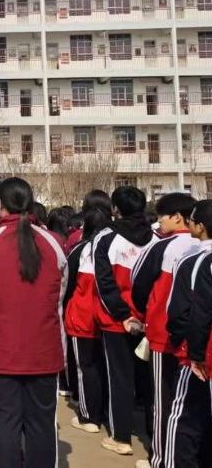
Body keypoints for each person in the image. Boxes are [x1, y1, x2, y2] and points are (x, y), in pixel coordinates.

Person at [0, 177, 67, 468]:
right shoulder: (53, 242)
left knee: (4, 421)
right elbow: (60, 290)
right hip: (45, 349)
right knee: (42, 422)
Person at [130, 191, 200, 468]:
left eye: (162, 217)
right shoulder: (201, 247)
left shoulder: (163, 247)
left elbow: (138, 282)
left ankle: (160, 457)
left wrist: (146, 314)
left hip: (164, 333)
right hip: (197, 337)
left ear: (178, 217)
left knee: (163, 400)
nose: (159, 223)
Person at [94, 185, 157, 456]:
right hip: (148, 319)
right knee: (149, 381)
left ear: (116, 209)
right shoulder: (156, 238)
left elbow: (104, 282)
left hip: (116, 320)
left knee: (120, 378)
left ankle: (121, 436)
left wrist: (123, 315)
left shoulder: (106, 237)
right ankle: (155, 439)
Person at [166, 199, 212, 467]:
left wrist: (192, 352)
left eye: (191, 220)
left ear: (201, 227)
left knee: (183, 417)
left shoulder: (196, 262)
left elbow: (187, 311)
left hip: (199, 353)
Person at [63, 209, 111, 436]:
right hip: (109, 318)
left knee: (86, 367)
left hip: (83, 316)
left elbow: (68, 284)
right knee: (104, 367)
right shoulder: (115, 246)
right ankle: (104, 412)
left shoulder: (82, 249)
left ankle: (89, 415)